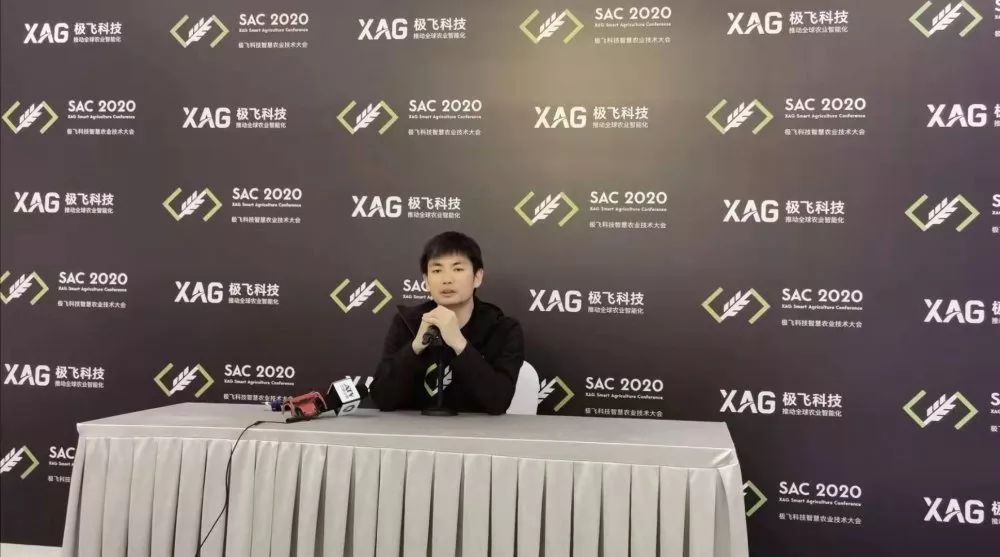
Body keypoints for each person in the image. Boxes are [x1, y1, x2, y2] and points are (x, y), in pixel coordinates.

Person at [370, 231, 524, 414]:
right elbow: (382, 398)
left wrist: (459, 343)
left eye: (457, 269)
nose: (447, 279)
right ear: (426, 280)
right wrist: (415, 347)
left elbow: (498, 401)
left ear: (477, 277)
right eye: (437, 270)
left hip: (476, 431)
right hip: (413, 430)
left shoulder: (503, 329)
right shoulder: (407, 322)